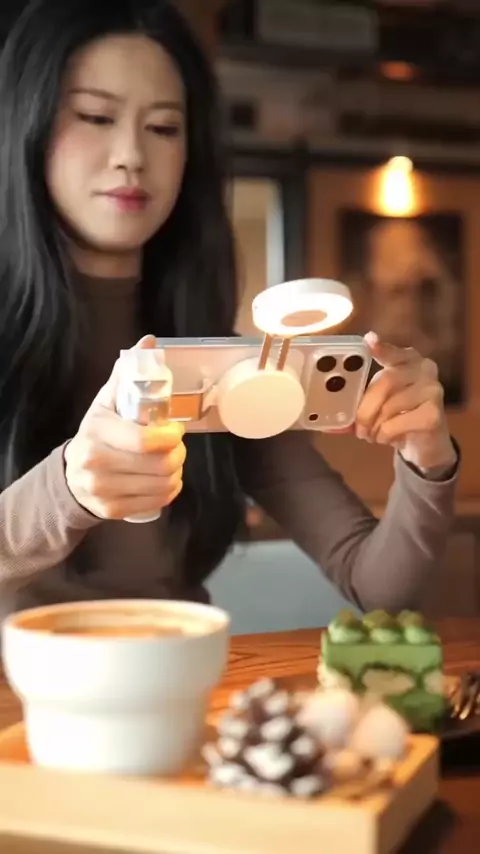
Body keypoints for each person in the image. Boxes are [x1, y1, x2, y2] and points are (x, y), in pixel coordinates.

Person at [0, 0, 459, 621]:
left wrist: (428, 461)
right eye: (95, 116)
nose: (131, 154)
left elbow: (377, 585)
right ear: (26, 123)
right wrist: (66, 489)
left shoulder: (221, 365)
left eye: (164, 127)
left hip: (182, 671)